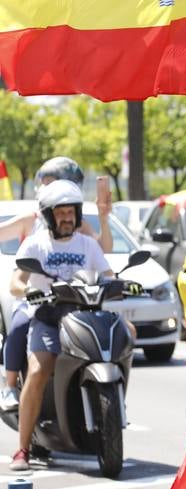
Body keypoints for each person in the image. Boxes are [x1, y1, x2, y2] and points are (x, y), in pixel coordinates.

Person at [8, 179, 114, 472]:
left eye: (71, 212)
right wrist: (27, 290)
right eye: (60, 213)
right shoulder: (36, 244)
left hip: (82, 316)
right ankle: (23, 449)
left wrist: (118, 283)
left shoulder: (88, 245)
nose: (67, 218)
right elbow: (17, 281)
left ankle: (110, 422)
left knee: (119, 343)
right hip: (48, 318)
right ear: (48, 215)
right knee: (40, 369)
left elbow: (107, 272)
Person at [0, 157, 113, 412]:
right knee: (18, 327)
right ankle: (8, 386)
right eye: (44, 182)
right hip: (36, 298)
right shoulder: (32, 219)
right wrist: (30, 290)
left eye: (51, 182)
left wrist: (104, 219)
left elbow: (102, 248)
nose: (45, 187)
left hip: (72, 300)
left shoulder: (75, 221)